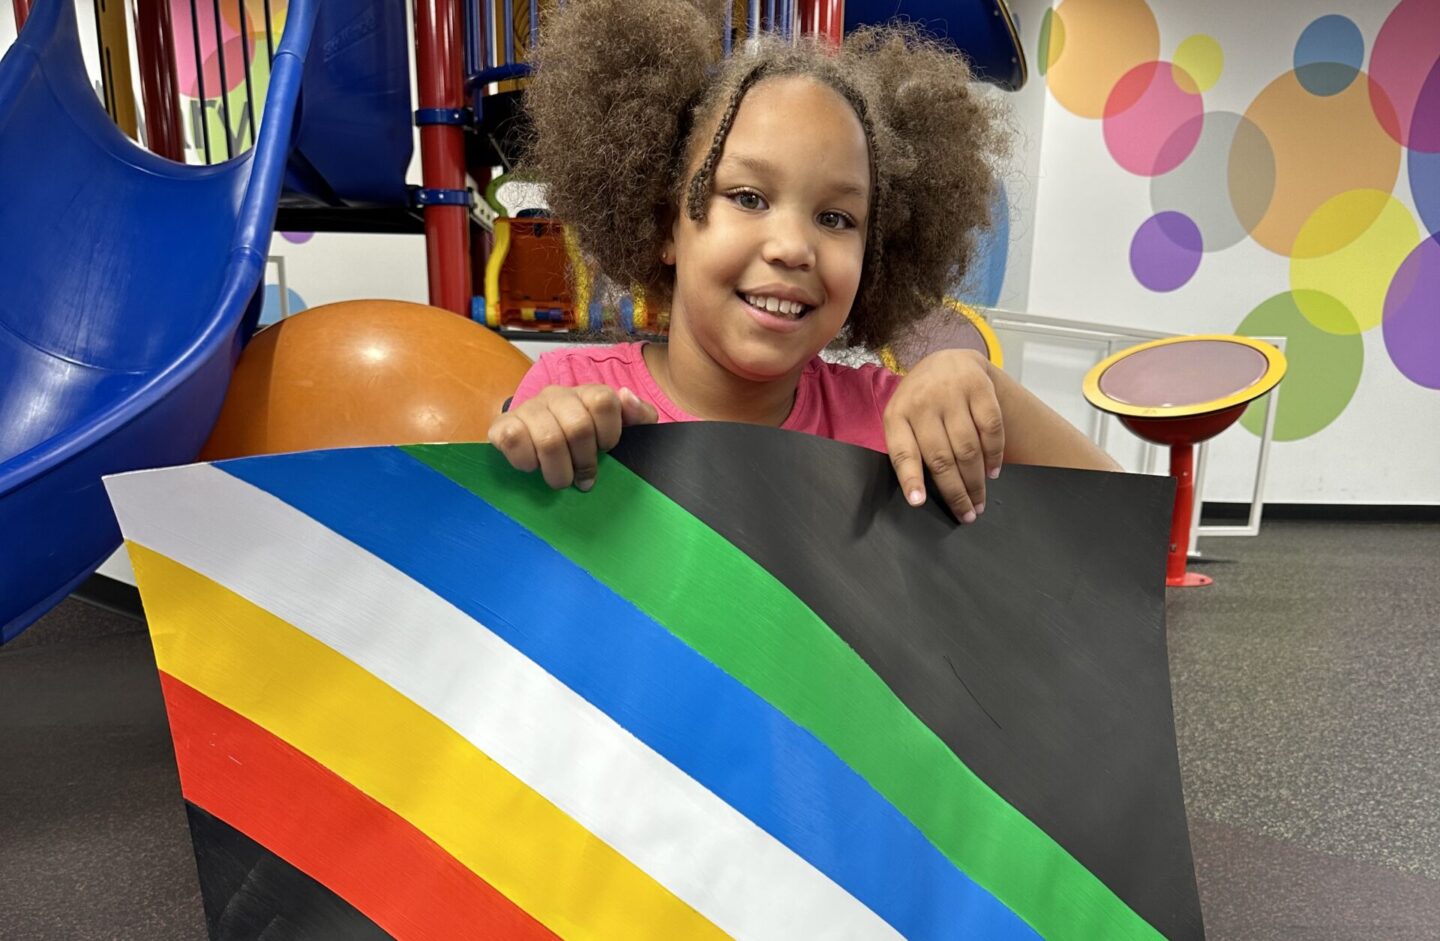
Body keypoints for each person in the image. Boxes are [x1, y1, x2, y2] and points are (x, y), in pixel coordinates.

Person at [488, 0, 1118, 522]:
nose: (793, 247)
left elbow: (1117, 519)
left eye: (836, 218)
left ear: (874, 256)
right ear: (666, 225)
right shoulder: (570, 390)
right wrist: (536, 436)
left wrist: (987, 389)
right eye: (748, 197)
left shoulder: (889, 421)